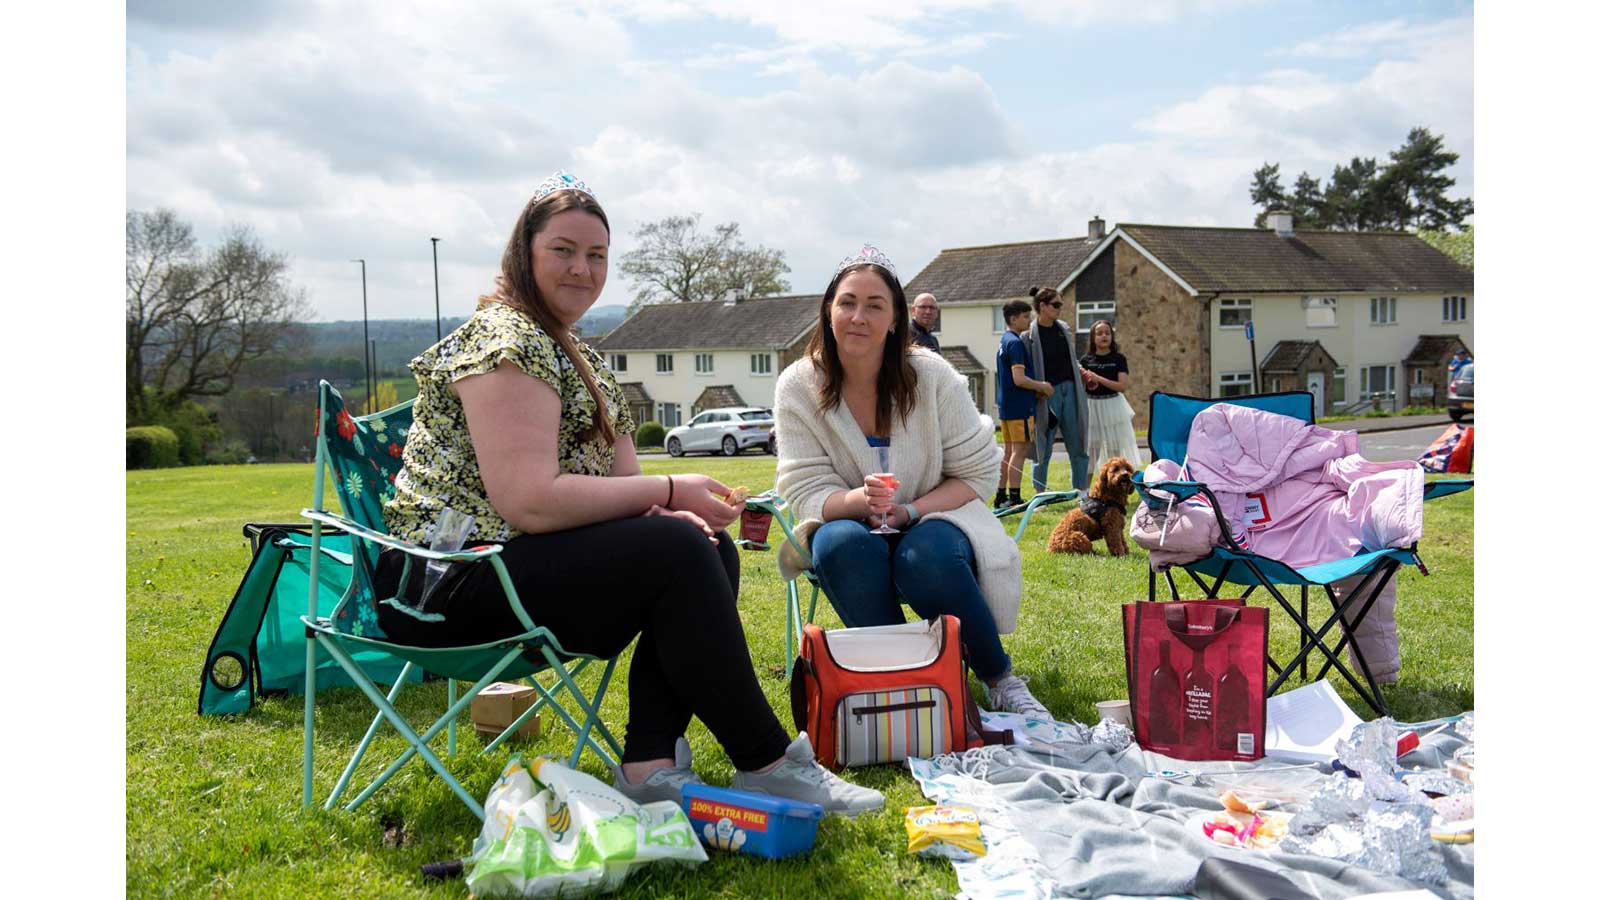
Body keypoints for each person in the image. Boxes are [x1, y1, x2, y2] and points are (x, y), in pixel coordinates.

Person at [377, 172, 882, 815]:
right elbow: (527, 501)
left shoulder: (577, 353)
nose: (581, 269)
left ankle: (648, 764)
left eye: (596, 255)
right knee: (676, 547)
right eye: (562, 250)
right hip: (445, 583)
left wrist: (673, 507)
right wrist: (671, 489)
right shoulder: (506, 340)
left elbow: (621, 492)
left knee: (706, 548)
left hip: (511, 565)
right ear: (523, 252)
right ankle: (766, 760)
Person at [774, 245, 1051, 719]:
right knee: (840, 546)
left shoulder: (931, 375)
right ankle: (912, 684)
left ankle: (998, 677)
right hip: (850, 518)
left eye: (874, 305)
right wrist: (859, 500)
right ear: (828, 309)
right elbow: (802, 490)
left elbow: (979, 473)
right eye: (847, 302)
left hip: (936, 510)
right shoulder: (798, 385)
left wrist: (910, 511)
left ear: (896, 318)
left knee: (924, 556)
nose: (858, 317)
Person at [1022, 286, 1090, 495]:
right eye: (1056, 304)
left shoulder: (1063, 329)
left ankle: (1081, 492)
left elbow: (1070, 359)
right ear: (1042, 306)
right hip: (1047, 396)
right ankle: (1039, 494)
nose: (1060, 308)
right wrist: (1038, 389)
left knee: (1077, 441)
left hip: (1071, 391)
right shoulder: (1028, 336)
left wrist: (1081, 371)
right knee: (1044, 445)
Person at [997, 300, 1052, 510]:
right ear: (1013, 318)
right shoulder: (1016, 343)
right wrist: (1043, 387)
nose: (1029, 321)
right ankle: (1015, 497)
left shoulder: (1004, 340)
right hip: (1020, 406)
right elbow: (1019, 378)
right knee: (1018, 452)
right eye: (1025, 317)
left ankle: (1001, 495)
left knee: (1008, 451)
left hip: (1006, 405)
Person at [1079, 319, 1140, 477]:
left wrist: (1098, 378)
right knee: (1091, 453)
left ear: (1112, 337)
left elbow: (1122, 386)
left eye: (1107, 333)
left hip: (1113, 406)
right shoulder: (1085, 360)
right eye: (1099, 333)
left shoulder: (1119, 359)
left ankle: (1114, 491)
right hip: (1092, 407)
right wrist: (1087, 381)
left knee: (1115, 455)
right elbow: (1081, 387)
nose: (1103, 336)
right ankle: (1085, 494)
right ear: (1093, 338)